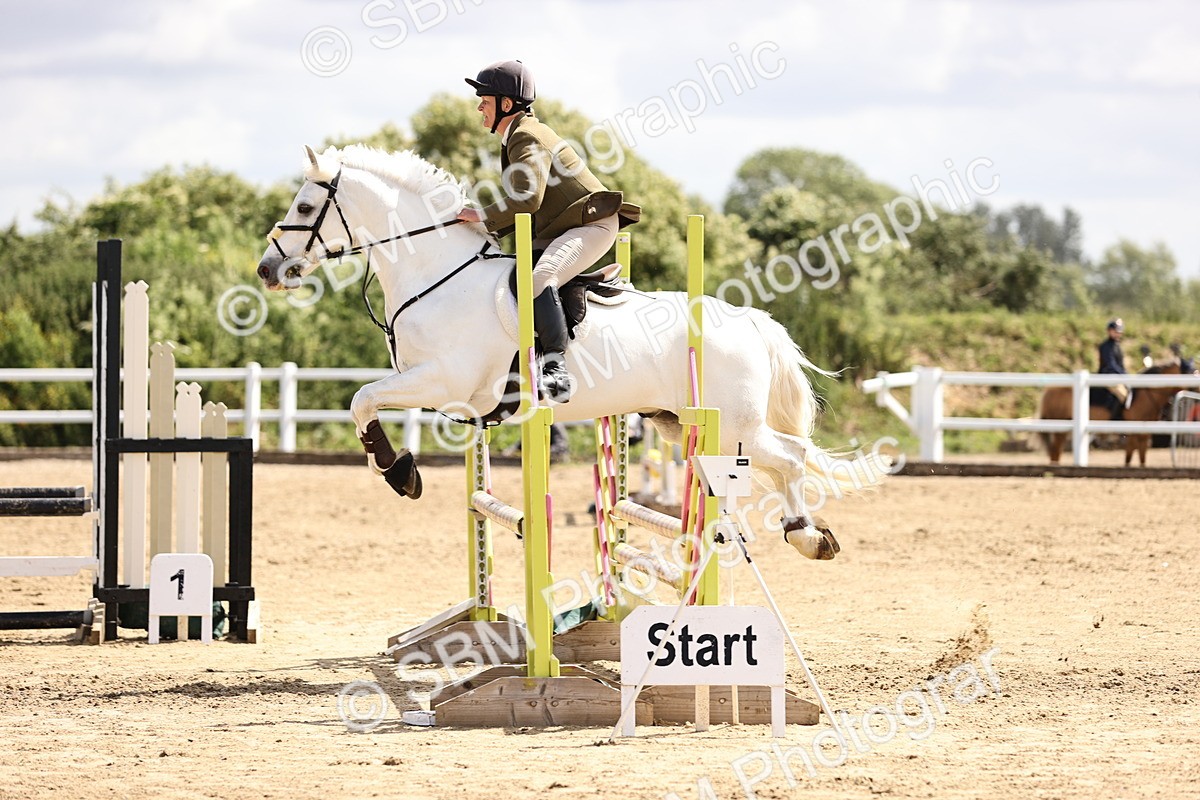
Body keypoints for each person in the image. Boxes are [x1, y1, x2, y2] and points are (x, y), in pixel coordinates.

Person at [456, 59, 638, 403]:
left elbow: (525, 200)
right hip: (562, 228)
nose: (479, 105)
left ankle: (555, 367)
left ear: (506, 104)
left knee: (541, 278)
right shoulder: (518, 134)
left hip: (591, 224)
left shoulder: (526, 136)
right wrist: (481, 232)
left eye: (485, 98)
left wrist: (480, 215)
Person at [1095, 318, 1128, 419]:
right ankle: (1115, 418)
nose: (1117, 333)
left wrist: (1126, 375)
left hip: (1117, 376)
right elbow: (1111, 365)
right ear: (1109, 331)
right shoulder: (1106, 346)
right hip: (1108, 376)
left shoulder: (1117, 346)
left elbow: (1121, 364)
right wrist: (1123, 374)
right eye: (1115, 331)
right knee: (1123, 395)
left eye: (1119, 331)